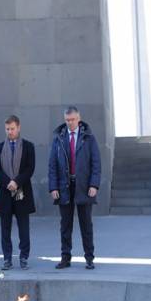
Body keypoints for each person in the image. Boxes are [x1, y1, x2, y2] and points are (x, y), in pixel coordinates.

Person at [48, 106, 101, 270]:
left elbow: (96, 163)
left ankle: (89, 258)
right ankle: (65, 257)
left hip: (84, 186)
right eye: (67, 120)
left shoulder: (89, 138)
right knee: (65, 224)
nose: (70, 123)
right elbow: (52, 165)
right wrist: (53, 187)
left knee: (86, 224)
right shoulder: (59, 138)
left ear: (79, 119)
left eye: (72, 120)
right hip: (64, 186)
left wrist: (94, 185)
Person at [0, 115, 35, 270]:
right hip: (5, 193)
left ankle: (24, 256)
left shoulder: (28, 146)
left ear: (18, 127)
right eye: (7, 129)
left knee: (23, 227)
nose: (10, 132)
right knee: (5, 228)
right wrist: (8, 182)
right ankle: (7, 258)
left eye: (12, 128)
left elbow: (29, 169)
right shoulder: (0, 147)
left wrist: (16, 181)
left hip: (22, 192)